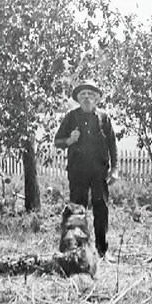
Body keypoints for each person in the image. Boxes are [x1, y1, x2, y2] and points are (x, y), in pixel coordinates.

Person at [54, 80, 119, 262]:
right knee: (76, 211)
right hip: (78, 171)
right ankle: (77, 251)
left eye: (91, 94)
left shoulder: (104, 118)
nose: (87, 97)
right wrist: (69, 140)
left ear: (97, 98)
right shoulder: (70, 117)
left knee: (101, 209)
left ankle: (102, 251)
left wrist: (114, 169)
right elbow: (57, 141)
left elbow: (112, 144)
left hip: (99, 172)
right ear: (78, 99)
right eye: (83, 94)